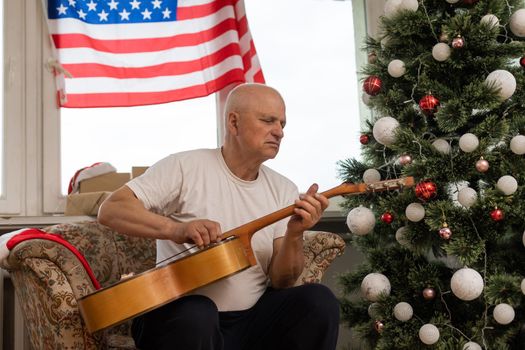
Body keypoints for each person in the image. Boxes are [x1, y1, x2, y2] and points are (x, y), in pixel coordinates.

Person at [98, 83, 340, 350]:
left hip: (248, 321)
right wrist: (176, 229)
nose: (280, 132)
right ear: (233, 123)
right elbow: (112, 209)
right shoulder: (184, 166)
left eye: (282, 123)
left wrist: (295, 234)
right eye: (268, 120)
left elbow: (283, 280)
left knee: (319, 301)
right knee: (198, 312)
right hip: (179, 318)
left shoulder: (283, 188)